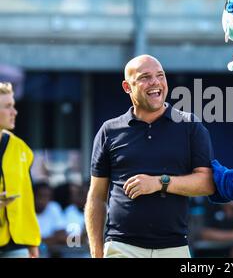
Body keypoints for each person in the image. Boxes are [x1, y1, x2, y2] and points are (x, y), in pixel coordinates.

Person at [85, 55, 215, 258]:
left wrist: (159, 183)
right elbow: (96, 196)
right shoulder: (109, 130)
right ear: (127, 87)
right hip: (121, 247)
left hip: (174, 248)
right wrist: (96, 251)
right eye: (145, 77)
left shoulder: (189, 125)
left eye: (160, 75)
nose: (155, 82)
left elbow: (206, 183)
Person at [0, 82, 41, 258]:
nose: (14, 112)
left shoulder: (22, 149)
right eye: (8, 106)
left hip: (16, 244)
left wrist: (33, 243)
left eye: (13, 106)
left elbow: (27, 199)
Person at [33, 181, 68, 258]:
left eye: (47, 196)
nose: (43, 200)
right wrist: (55, 239)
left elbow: (63, 237)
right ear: (33, 196)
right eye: (40, 196)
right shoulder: (26, 211)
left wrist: (41, 241)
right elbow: (28, 242)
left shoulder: (54, 207)